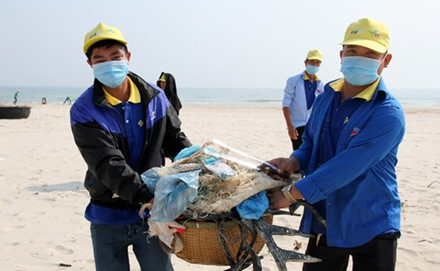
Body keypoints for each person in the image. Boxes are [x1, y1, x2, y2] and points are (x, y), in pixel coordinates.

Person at [267, 18, 405, 271]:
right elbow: (311, 142)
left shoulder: (388, 112)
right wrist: (295, 160)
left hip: (372, 222)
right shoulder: (326, 96)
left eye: (371, 53)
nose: (359, 58)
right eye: (353, 51)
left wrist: (290, 195)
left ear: (386, 60)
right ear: (341, 55)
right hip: (325, 219)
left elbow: (346, 167)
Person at [70, 22, 191, 271]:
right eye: (100, 59)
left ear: (128, 57)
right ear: (90, 65)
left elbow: (174, 139)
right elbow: (108, 164)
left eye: (115, 56)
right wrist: (151, 197)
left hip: (152, 216)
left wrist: (195, 165)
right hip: (108, 213)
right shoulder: (84, 110)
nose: (109, 64)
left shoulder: (155, 98)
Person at [282, 50, 324, 151]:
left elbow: (320, 106)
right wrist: (289, 126)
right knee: (298, 154)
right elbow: (286, 103)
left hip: (313, 126)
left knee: (312, 154)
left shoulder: (320, 83)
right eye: (312, 62)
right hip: (297, 125)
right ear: (306, 62)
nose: (315, 64)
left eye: (317, 62)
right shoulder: (294, 80)